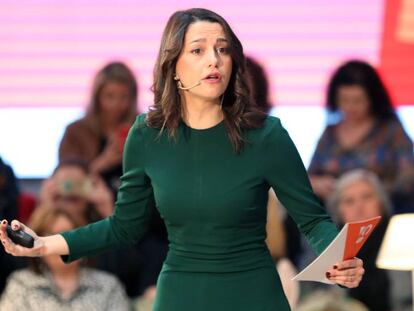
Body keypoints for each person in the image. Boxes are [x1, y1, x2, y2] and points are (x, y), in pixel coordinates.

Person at [0, 8, 364, 311]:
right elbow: (124, 227)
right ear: (173, 66)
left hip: (254, 294)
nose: (214, 60)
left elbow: (313, 220)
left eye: (222, 49)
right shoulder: (146, 135)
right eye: (198, 50)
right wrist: (47, 243)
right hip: (181, 294)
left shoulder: (267, 135)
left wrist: (339, 257)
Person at [308, 60, 414, 213]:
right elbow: (307, 178)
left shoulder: (391, 130)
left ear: (372, 98)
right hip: (334, 222)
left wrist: (368, 192)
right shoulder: (330, 133)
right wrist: (318, 184)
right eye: (344, 100)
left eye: (358, 100)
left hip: (383, 218)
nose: (350, 107)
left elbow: (408, 179)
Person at [0, 206, 130, 311]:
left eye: (68, 235)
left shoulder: (107, 285)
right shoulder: (22, 284)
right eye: (52, 235)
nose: (60, 246)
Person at [59, 61, 138, 196]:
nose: (117, 105)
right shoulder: (76, 132)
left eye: (124, 97)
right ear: (97, 98)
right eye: (110, 96)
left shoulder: (141, 130)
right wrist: (103, 163)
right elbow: (65, 187)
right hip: (88, 213)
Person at [327, 169, 392, 311]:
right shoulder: (327, 243)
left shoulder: (399, 235)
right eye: (349, 201)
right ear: (339, 211)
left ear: (381, 202)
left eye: (367, 197)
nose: (359, 206)